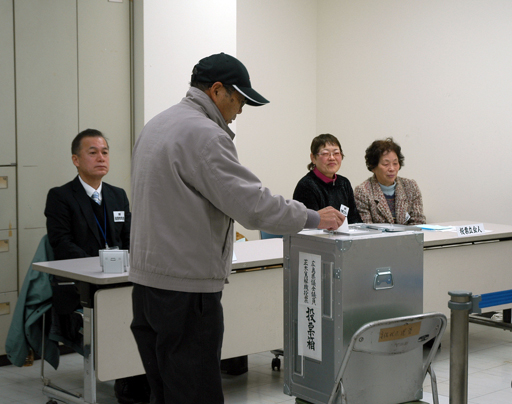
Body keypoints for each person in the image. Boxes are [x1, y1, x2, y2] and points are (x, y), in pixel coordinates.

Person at [129, 52, 344, 404]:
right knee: (196, 394)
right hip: (187, 291)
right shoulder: (205, 135)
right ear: (217, 90)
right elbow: (253, 206)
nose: (241, 109)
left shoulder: (157, 125)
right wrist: (312, 217)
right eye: (240, 99)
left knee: (165, 391)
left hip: (148, 286)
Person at [44, 129, 149, 404]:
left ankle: (138, 375)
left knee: (150, 306)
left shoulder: (117, 195)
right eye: (93, 152)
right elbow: (61, 243)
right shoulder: (61, 196)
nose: (101, 157)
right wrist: (101, 266)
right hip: (81, 284)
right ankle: (128, 380)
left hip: (122, 279)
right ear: (76, 160)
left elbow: (129, 239)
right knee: (121, 310)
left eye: (104, 152)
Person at [354, 137, 426, 225]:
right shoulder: (363, 191)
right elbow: (366, 228)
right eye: (386, 164)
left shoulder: (411, 186)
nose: (392, 169)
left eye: (395, 163)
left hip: (407, 238)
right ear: (373, 166)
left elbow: (418, 222)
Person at [293, 133, 362, 224]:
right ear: (313, 158)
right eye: (325, 154)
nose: (332, 158)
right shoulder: (306, 185)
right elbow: (309, 225)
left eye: (336, 153)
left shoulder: (344, 183)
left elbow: (354, 220)